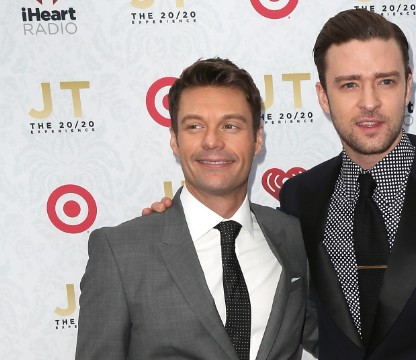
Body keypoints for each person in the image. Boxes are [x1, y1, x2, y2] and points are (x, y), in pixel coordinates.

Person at [146, 9, 416, 360]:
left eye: (385, 82)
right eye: (349, 84)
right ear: (323, 96)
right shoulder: (300, 198)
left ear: (408, 87)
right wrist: (178, 224)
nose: (369, 102)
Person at [76, 58, 311, 360]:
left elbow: (333, 335)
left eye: (230, 125)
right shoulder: (120, 252)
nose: (212, 141)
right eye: (195, 126)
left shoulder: (292, 236)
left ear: (257, 138)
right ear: (174, 140)